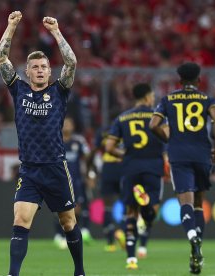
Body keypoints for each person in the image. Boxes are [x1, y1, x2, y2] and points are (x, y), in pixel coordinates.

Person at [0, 11, 84, 276]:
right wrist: (11, 26)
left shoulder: (59, 90)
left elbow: (71, 63)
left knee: (68, 222)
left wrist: (56, 32)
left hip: (55, 167)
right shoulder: (18, 88)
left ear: (49, 71)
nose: (41, 70)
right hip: (30, 169)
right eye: (35, 67)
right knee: (20, 220)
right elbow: (1, 57)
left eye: (44, 66)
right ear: (28, 72)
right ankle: (13, 274)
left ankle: (79, 271)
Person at [149, 63, 215, 274]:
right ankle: (197, 254)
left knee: (185, 200)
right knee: (198, 202)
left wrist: (168, 139)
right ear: (199, 80)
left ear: (179, 81)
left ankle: (192, 236)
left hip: (178, 154)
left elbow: (153, 124)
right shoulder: (207, 99)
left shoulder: (168, 99)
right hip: (202, 154)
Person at [106, 83, 166, 270]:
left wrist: (125, 155)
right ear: (148, 97)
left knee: (130, 212)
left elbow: (108, 147)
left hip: (131, 167)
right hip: (153, 166)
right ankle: (146, 206)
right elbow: (167, 136)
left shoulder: (123, 117)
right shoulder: (157, 117)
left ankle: (131, 259)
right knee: (151, 211)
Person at [53, 117, 94, 249]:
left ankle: (78, 233)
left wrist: (90, 175)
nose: (67, 126)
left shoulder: (78, 141)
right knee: (60, 208)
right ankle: (59, 235)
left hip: (75, 180)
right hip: (59, 180)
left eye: (70, 123)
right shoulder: (55, 140)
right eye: (65, 123)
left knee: (77, 208)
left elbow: (88, 158)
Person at [89, 119, 125, 252]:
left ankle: (110, 242)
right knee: (127, 203)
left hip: (108, 169)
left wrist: (91, 172)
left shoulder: (103, 131)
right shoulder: (125, 125)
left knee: (107, 207)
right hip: (122, 167)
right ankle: (121, 230)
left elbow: (93, 152)